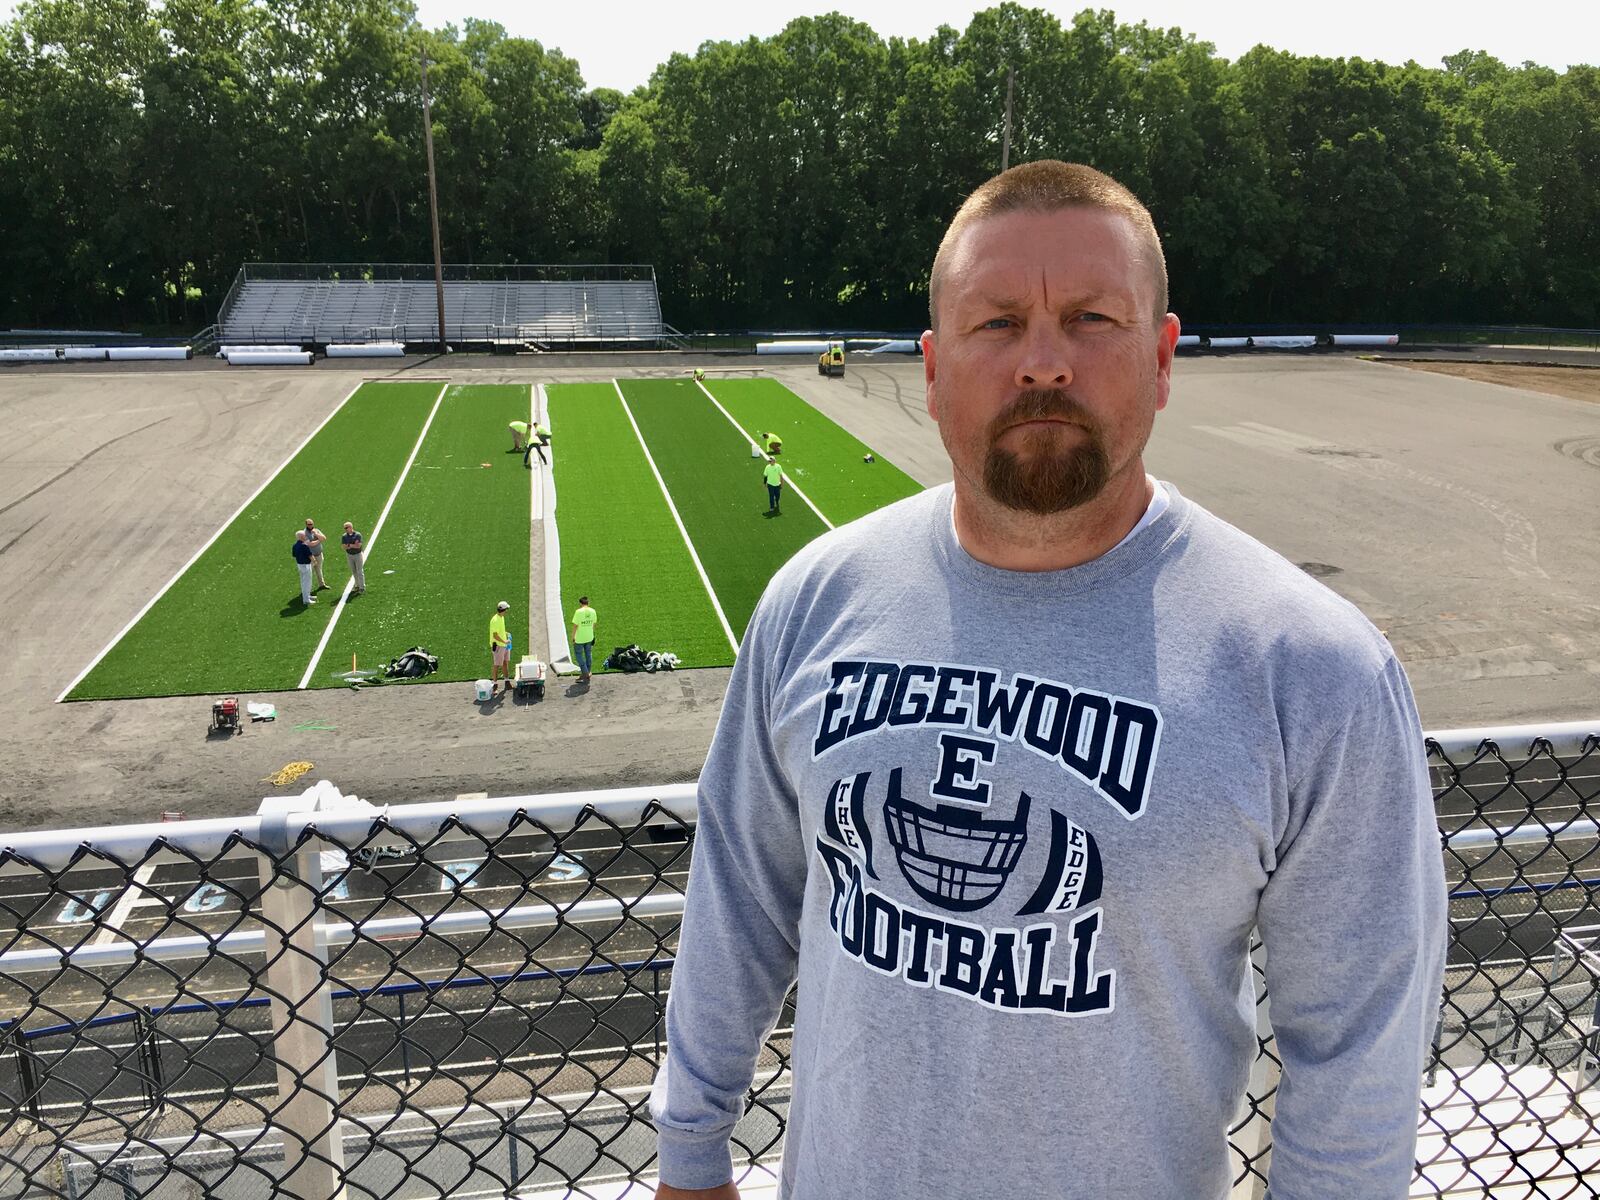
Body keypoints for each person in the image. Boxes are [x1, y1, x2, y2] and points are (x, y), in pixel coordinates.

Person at [650, 161, 1446, 1200]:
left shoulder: (1311, 666)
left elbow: (1358, 1050)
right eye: (995, 325)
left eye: (1090, 319)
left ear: (1161, 359)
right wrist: (690, 1149)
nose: (1042, 363)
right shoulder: (815, 601)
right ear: (932, 369)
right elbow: (741, 900)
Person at [570, 596, 597, 683]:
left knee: (578, 655)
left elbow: (575, 626)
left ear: (580, 604)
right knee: (588, 654)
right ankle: (588, 672)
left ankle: (585, 672)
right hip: (589, 637)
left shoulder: (578, 612)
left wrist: (573, 637)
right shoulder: (593, 611)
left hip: (580, 638)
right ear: (588, 603)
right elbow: (593, 624)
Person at [489, 600, 512, 691]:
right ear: (503, 609)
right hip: (499, 646)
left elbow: (500, 631)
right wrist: (505, 641)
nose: (507, 611)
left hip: (503, 644)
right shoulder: (495, 620)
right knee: (496, 665)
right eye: (506, 609)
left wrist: (506, 634)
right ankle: (495, 685)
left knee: (505, 662)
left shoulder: (501, 617)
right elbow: (495, 635)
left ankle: (507, 682)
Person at [291, 531, 315, 606]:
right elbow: (310, 555)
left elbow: (294, 555)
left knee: (303, 581)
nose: (305, 536)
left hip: (300, 565)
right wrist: (314, 561)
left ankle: (307, 596)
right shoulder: (304, 545)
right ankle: (306, 599)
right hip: (306, 565)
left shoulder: (294, 545)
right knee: (307, 582)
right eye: (304, 535)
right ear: (301, 537)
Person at [341, 522, 365, 595]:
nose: (345, 529)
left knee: (359, 571)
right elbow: (343, 546)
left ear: (351, 527)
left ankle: (362, 587)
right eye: (344, 528)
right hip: (349, 555)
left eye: (346, 528)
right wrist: (352, 545)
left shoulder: (357, 535)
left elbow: (358, 546)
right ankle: (357, 585)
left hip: (358, 554)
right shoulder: (344, 536)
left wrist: (349, 545)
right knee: (354, 571)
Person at [303, 518, 327, 590]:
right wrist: (319, 540)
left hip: (319, 554)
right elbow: (311, 544)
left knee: (319, 570)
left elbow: (324, 538)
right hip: (311, 557)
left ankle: (322, 584)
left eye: (312, 524)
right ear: (306, 525)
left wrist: (316, 534)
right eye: (309, 524)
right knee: (309, 573)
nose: (310, 525)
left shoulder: (316, 530)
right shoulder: (304, 533)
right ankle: (307, 588)